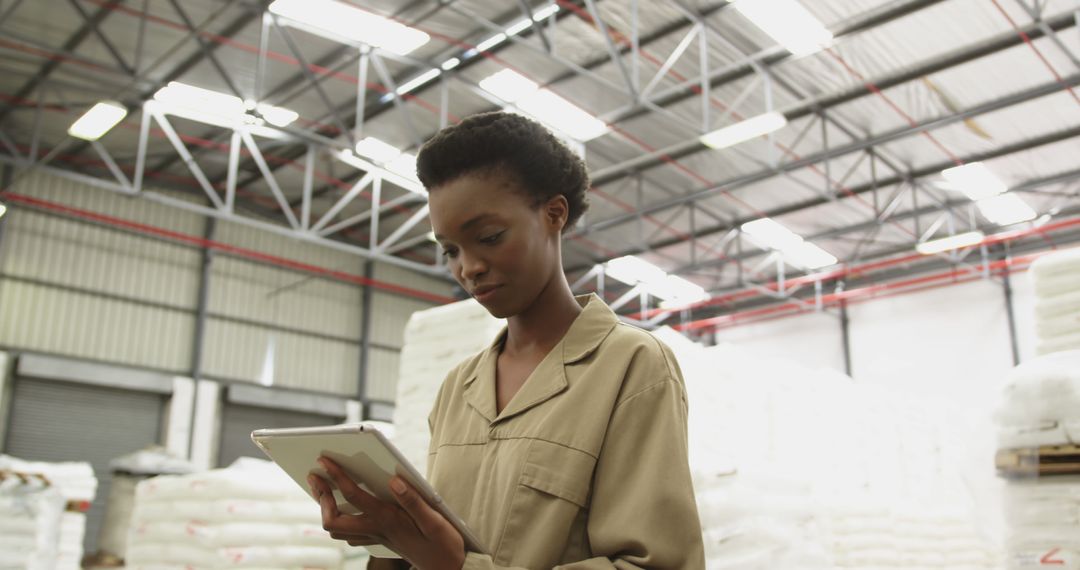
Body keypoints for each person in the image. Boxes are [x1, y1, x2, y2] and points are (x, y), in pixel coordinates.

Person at [309, 111, 705, 569]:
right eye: (451, 251)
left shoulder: (630, 366)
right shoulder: (459, 387)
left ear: (553, 214)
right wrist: (391, 542)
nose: (468, 268)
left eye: (489, 237)